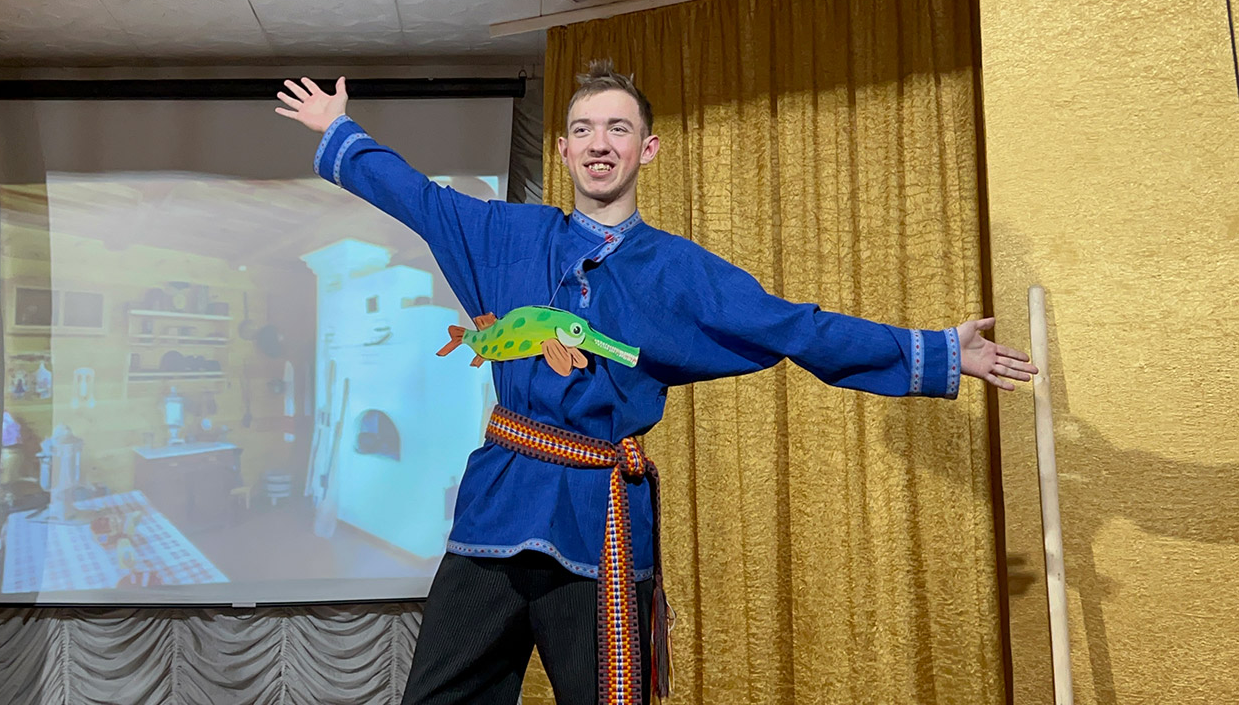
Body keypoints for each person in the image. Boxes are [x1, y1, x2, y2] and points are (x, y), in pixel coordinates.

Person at [274, 61, 1037, 705]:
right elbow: (416, 196)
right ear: (564, 151)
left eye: (618, 129)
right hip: (498, 510)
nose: (599, 144)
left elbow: (794, 328)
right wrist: (340, 129)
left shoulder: (681, 273)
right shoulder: (507, 235)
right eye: (583, 130)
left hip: (598, 521)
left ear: (648, 148)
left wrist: (935, 351)